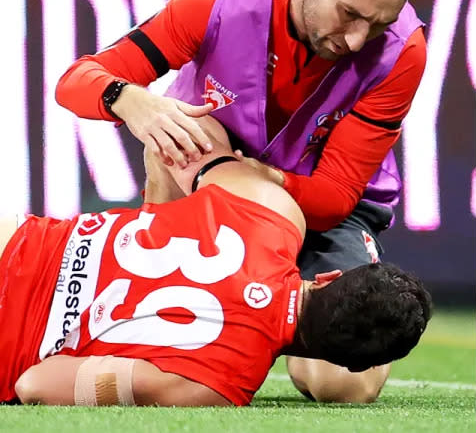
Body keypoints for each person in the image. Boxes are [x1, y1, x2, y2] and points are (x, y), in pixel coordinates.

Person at [53, 0, 432, 404]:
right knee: (180, 127)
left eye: (377, 25)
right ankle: (148, 299)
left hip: (320, 211)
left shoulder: (403, 52)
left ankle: (248, 314)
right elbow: (76, 81)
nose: (359, 39)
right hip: (216, 176)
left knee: (342, 386)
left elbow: (336, 196)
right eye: (350, 14)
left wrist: (265, 178)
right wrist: (128, 99)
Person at [2, 116, 431, 406]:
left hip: (15, 239)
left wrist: (155, 220)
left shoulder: (271, 208)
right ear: (351, 362)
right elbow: (34, 384)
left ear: (325, 277)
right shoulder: (220, 384)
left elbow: (178, 141)